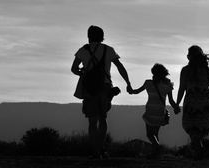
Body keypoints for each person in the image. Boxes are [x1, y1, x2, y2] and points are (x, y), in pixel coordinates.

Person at [71, 25, 132, 159]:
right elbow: (120, 67)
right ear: (102, 36)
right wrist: (128, 83)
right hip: (105, 86)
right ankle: (102, 149)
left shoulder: (83, 50)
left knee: (92, 122)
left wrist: (83, 73)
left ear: (89, 36)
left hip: (89, 88)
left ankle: (96, 151)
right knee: (103, 118)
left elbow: (74, 69)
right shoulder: (108, 50)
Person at [128, 63, 180, 159]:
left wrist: (130, 90)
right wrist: (176, 107)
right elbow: (171, 101)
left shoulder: (148, 83)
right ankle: (155, 154)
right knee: (155, 134)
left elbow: (136, 91)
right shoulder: (167, 84)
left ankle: (158, 148)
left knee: (149, 134)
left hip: (150, 111)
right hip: (161, 112)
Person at [176, 45, 209, 159]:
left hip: (191, 102)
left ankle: (199, 151)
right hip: (205, 102)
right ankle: (199, 151)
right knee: (200, 127)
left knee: (190, 127)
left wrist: (176, 103)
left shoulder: (186, 70)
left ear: (190, 57)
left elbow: (182, 88)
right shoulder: (206, 70)